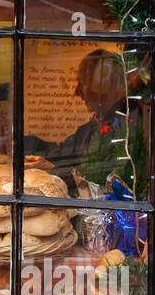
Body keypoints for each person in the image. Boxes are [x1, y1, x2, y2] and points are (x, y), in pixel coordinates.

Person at [23, 49, 141, 192]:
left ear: (103, 85)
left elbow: (100, 178)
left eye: (82, 83)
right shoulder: (96, 122)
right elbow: (64, 150)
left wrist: (54, 169)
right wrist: (18, 142)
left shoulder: (126, 125)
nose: (77, 92)